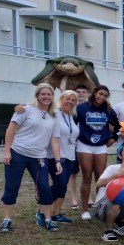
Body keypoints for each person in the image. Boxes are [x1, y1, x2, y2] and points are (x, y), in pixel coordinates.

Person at [0, 83, 63, 233]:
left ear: (52, 97)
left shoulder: (54, 116)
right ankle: (6, 220)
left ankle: (47, 220)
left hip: (39, 157)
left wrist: (57, 160)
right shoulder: (26, 109)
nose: (46, 97)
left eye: (49, 94)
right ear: (37, 96)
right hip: (18, 153)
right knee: (12, 186)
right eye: (43, 94)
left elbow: (54, 140)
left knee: (44, 187)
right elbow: (11, 129)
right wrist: (7, 152)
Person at [75, 85, 120, 220]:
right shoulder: (81, 108)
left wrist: (113, 138)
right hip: (84, 145)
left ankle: (99, 207)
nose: (102, 97)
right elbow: (72, 123)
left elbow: (118, 127)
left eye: (105, 96)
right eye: (100, 94)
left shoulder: (109, 110)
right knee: (87, 176)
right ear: (94, 93)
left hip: (101, 146)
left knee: (101, 178)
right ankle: (84, 209)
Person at [39, 90, 80, 224]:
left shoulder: (71, 116)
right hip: (55, 156)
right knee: (60, 183)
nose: (70, 102)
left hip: (70, 156)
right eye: (68, 99)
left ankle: (56, 213)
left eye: (73, 100)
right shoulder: (53, 113)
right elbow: (37, 110)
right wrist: (20, 107)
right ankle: (42, 210)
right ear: (61, 99)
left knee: (63, 185)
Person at [94, 143, 124, 241]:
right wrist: (116, 176)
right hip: (104, 204)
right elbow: (98, 184)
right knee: (116, 201)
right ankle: (108, 231)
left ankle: (119, 221)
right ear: (120, 156)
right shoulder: (113, 168)